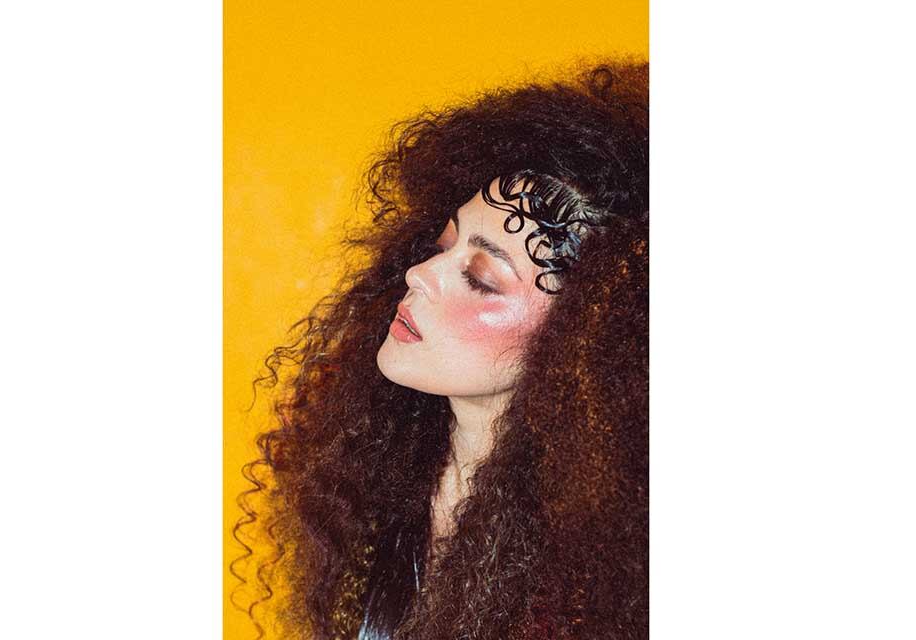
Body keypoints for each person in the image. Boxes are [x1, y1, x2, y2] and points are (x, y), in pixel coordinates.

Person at [232, 60, 649, 640]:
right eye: (441, 244)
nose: (419, 274)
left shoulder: (607, 574)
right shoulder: (378, 465)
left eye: (481, 278)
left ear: (587, 340)